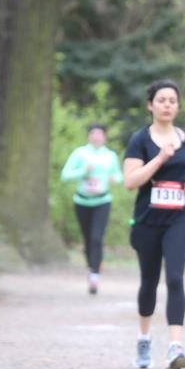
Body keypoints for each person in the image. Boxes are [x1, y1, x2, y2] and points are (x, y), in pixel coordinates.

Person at [123, 80, 185, 369]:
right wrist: (159, 158)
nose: (167, 105)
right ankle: (144, 339)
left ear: (178, 106)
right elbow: (130, 181)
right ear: (151, 105)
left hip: (179, 217)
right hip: (148, 220)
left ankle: (175, 347)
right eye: (161, 100)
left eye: (172, 100)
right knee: (149, 280)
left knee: (175, 278)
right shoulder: (140, 140)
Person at [61, 123, 123, 295]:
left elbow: (119, 176)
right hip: (82, 201)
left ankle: (95, 275)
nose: (96, 137)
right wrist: (83, 171)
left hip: (102, 201)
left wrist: (113, 178)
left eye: (100, 134)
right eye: (93, 134)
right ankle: (91, 266)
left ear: (104, 137)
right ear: (89, 136)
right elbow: (65, 175)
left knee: (97, 237)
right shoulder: (80, 153)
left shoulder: (110, 156)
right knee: (88, 238)